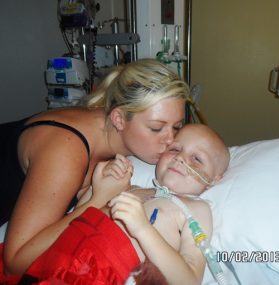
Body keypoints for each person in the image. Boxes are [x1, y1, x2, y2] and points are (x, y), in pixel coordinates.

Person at [0, 58, 189, 278]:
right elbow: (16, 262)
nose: (170, 140)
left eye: (176, 127)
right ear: (118, 119)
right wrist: (97, 201)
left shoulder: (109, 130)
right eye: (157, 128)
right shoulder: (65, 151)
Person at [20, 123, 230, 285]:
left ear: (215, 179)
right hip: (54, 262)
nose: (181, 159)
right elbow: (80, 216)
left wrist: (143, 229)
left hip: (103, 275)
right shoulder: (132, 188)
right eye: (175, 149)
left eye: (197, 159)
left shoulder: (195, 209)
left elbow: (189, 280)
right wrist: (99, 188)